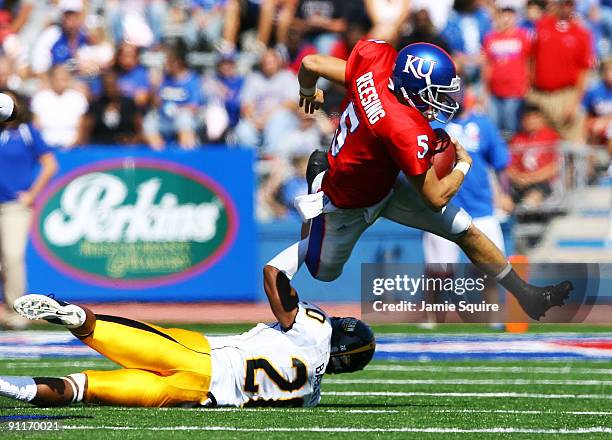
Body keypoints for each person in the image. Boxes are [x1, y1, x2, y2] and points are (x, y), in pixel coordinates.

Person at [263, 39, 573, 323]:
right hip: (346, 202)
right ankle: (317, 179)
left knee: (463, 229)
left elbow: (311, 64)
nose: (442, 101)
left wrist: (307, 93)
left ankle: (527, 295)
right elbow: (435, 197)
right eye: (436, 93)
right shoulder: (403, 127)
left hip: (385, 181)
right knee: (324, 272)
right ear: (414, 89)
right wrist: (463, 165)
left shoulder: (377, 65)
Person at [1, 279, 375, 407]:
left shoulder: (316, 328)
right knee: (86, 388)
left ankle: (76, 318)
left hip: (202, 356)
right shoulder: (310, 397)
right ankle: (11, 389)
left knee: (95, 327)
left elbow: (274, 277)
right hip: (192, 394)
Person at [423, 89, 511, 326]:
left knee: (491, 267)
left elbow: (500, 162)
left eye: (458, 93)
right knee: (438, 270)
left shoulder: (483, 124)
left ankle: (493, 319)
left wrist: (505, 193)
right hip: (443, 205)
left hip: (481, 207)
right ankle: (432, 318)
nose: (455, 98)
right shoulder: (432, 124)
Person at [0, 92, 58, 329]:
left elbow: (50, 164)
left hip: (13, 206)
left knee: (13, 257)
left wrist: (31, 194)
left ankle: (16, 313)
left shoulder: (26, 132)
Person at [527, 0, 594, 143]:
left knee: (572, 142)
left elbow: (584, 71)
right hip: (541, 94)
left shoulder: (581, 33)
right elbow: (530, 58)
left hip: (566, 95)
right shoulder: (542, 26)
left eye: (570, 3)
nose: (566, 7)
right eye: (563, 3)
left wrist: (575, 102)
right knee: (543, 144)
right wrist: (529, 86)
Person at [483, 4, 532, 139]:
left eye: (510, 16)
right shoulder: (491, 38)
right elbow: (487, 64)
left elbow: (530, 62)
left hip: (515, 91)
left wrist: (528, 85)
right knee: (494, 130)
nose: (507, 19)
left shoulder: (523, 37)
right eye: (504, 16)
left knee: (512, 130)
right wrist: (485, 90)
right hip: (494, 92)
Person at [144, 42, 203, 150]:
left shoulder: (192, 80)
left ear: (178, 62)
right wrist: (154, 87)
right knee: (149, 123)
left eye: (169, 61)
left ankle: (186, 157)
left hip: (187, 120)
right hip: (165, 120)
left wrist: (176, 109)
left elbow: (195, 107)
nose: (166, 64)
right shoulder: (164, 79)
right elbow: (156, 105)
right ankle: (161, 156)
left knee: (184, 119)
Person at [507, 104, 561, 209]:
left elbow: (555, 166)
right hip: (519, 182)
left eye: (534, 117)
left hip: (542, 181)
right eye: (527, 118)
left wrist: (532, 178)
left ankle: (528, 207)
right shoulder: (516, 139)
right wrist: (518, 177)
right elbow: (508, 165)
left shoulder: (551, 137)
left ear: (542, 119)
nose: (531, 121)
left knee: (535, 194)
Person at [78, 71, 144, 146]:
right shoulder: (95, 105)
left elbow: (140, 131)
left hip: (125, 149)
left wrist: (132, 141)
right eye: (107, 85)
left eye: (113, 84)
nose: (110, 88)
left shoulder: (129, 104)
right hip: (99, 149)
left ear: (117, 84)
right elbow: (85, 133)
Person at [31, 63, 88, 148]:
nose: (61, 83)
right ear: (52, 79)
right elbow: (36, 126)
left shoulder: (78, 98)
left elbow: (81, 128)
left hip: (72, 147)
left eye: (64, 79)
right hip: (46, 146)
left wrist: (73, 145)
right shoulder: (40, 98)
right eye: (58, 79)